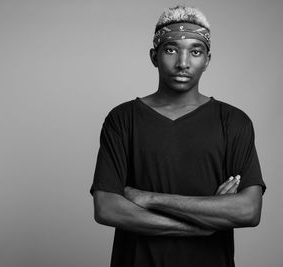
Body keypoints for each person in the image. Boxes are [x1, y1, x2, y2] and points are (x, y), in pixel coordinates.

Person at [90, 5, 266, 267]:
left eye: (195, 51)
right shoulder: (123, 119)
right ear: (154, 56)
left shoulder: (233, 121)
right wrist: (201, 225)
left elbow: (248, 210)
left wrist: (150, 198)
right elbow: (107, 207)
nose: (183, 63)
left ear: (207, 59)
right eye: (171, 50)